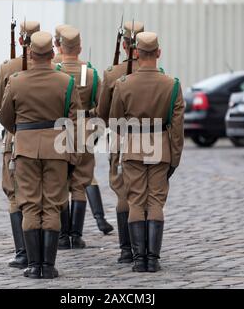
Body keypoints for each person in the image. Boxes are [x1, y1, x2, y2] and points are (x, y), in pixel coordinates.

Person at [0, 31, 82, 279]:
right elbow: (75, 121)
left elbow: (4, 116)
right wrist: (73, 156)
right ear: (51, 53)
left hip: (25, 149)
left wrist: (23, 132)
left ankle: (34, 265)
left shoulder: (16, 81)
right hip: (57, 149)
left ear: (31, 53)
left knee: (30, 205)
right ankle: (49, 265)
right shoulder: (66, 82)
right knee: (53, 207)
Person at [109, 32, 184, 273]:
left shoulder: (123, 83)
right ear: (159, 53)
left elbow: (115, 122)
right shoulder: (172, 85)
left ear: (137, 53)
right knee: (155, 202)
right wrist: (174, 157)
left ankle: (139, 259)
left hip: (133, 148)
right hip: (160, 147)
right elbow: (177, 128)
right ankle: (153, 259)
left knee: (135, 201)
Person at [55, 27, 114, 250]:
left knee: (60, 183)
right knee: (80, 184)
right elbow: (101, 105)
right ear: (79, 48)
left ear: (60, 47)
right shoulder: (90, 73)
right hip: (85, 130)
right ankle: (75, 236)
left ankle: (62, 236)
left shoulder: (54, 71)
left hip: (59, 131)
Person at [0, 21, 40, 269]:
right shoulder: (54, 68)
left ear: (21, 41)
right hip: (50, 140)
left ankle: (23, 251)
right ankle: (41, 253)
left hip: (16, 137)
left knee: (14, 194)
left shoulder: (8, 68)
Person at [96, 20, 144, 264]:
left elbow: (102, 112)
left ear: (125, 45)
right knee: (146, 195)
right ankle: (144, 251)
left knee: (124, 195)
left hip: (121, 139)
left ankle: (127, 249)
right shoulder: (159, 74)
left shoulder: (113, 74)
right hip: (150, 140)